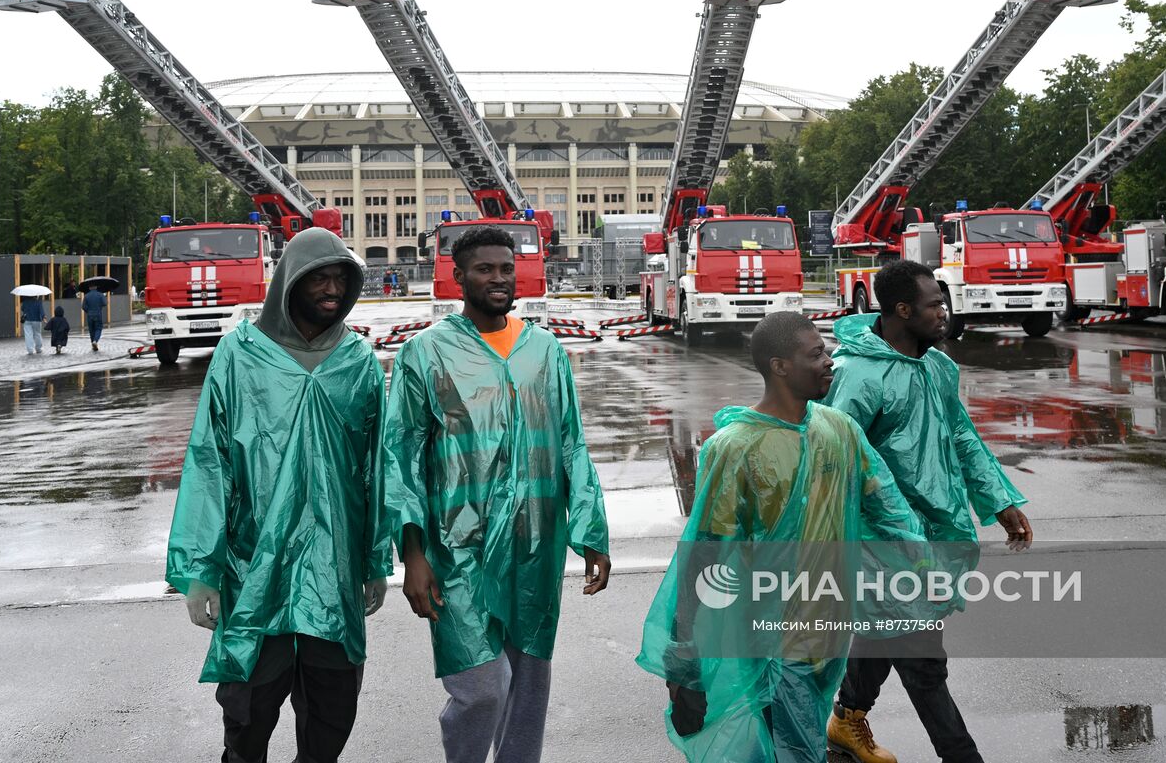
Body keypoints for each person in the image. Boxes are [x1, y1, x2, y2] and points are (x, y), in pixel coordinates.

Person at [636, 312, 925, 763]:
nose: (830, 362)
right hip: (771, 639)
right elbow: (704, 557)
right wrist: (686, 663)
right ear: (780, 366)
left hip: (829, 628)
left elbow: (888, 508)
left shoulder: (839, 430)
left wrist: (925, 566)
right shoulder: (735, 449)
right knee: (793, 749)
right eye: (816, 354)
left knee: (794, 742)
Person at [383, 225, 610, 763]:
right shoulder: (426, 353)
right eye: (485, 269)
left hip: (535, 542)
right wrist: (413, 554)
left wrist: (591, 532)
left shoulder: (544, 351)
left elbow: (571, 443)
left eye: (507, 268)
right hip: (457, 546)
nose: (499, 279)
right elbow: (401, 456)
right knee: (481, 687)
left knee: (529, 685)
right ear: (458, 277)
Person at [166, 227, 392, 763]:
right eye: (319, 278)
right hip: (255, 570)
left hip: (334, 571)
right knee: (247, 717)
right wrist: (200, 571)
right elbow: (210, 461)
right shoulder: (239, 355)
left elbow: (375, 468)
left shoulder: (358, 361)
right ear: (289, 282)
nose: (332, 289)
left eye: (341, 279)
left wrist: (374, 560)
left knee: (331, 714)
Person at [823, 260, 1031, 763]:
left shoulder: (938, 366)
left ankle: (846, 718)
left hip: (934, 527)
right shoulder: (858, 375)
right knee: (923, 660)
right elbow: (835, 460)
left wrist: (999, 501)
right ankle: (962, 756)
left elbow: (961, 435)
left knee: (887, 631)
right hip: (881, 540)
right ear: (902, 310)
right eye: (935, 305)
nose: (944, 312)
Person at [81, 285, 107, 351]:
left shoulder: (86, 296)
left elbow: (83, 306)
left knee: (91, 330)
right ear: (96, 287)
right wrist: (99, 305)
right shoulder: (100, 294)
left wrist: (88, 311)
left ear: (89, 288)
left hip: (90, 315)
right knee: (98, 328)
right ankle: (95, 341)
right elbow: (104, 303)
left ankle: (93, 343)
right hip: (98, 314)